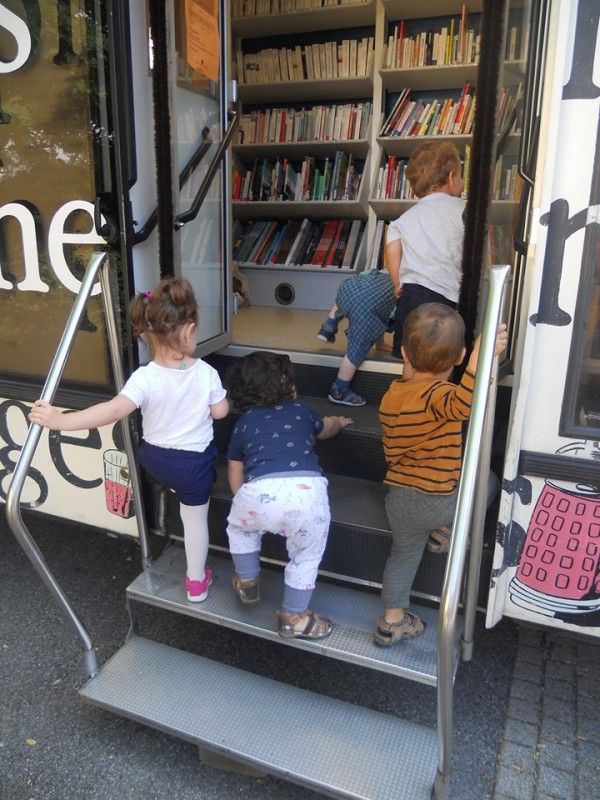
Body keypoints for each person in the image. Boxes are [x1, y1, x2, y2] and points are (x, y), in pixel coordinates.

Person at [28, 277, 229, 604]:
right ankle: (196, 583)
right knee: (195, 521)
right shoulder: (206, 373)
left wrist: (61, 420)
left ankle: (173, 496)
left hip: (153, 460)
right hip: (192, 465)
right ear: (189, 331)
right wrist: (223, 401)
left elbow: (112, 410)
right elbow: (220, 413)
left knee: (177, 480)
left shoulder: (144, 377)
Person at [374, 303, 507, 646]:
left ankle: (392, 620)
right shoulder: (441, 398)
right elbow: (467, 399)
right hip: (435, 503)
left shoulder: (392, 395)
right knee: (488, 479)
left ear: (403, 352)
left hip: (399, 501)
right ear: (460, 356)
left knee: (402, 556)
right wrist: (483, 352)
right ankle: (446, 530)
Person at [225, 350, 353, 639]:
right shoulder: (303, 411)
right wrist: (338, 422)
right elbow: (326, 430)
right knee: (306, 555)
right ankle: (293, 617)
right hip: (305, 496)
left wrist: (242, 500)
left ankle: (247, 580)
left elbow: (235, 467)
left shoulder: (243, 423)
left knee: (240, 528)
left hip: (257, 492)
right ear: (287, 386)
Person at [385, 141, 465, 358]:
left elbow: (392, 249)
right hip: (446, 299)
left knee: (410, 356)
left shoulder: (405, 218)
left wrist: (396, 284)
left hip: (411, 297)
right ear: (450, 177)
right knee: (441, 357)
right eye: (460, 175)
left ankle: (407, 390)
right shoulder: (463, 210)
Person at [316, 268, 396, 406]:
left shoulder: (387, 277)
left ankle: (328, 326)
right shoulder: (406, 295)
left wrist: (380, 343)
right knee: (358, 346)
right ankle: (339, 389)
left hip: (348, 287)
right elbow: (386, 317)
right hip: (366, 305)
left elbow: (381, 313)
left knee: (350, 300)